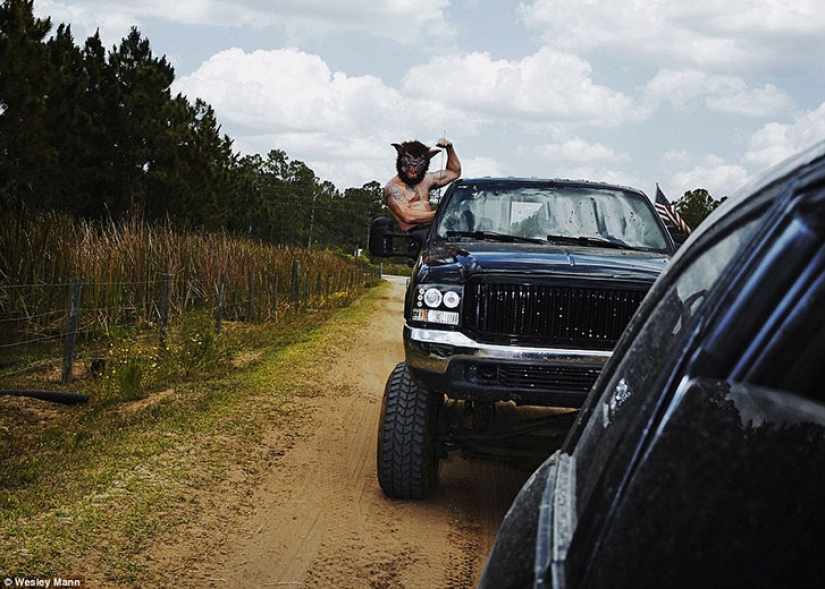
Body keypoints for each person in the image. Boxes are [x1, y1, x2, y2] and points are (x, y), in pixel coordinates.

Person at [383, 138, 462, 233]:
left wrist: (450, 148)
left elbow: (454, 172)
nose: (413, 169)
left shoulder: (426, 180)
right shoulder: (394, 188)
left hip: (436, 229)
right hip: (416, 234)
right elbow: (408, 217)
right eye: (410, 162)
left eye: (419, 163)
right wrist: (443, 214)